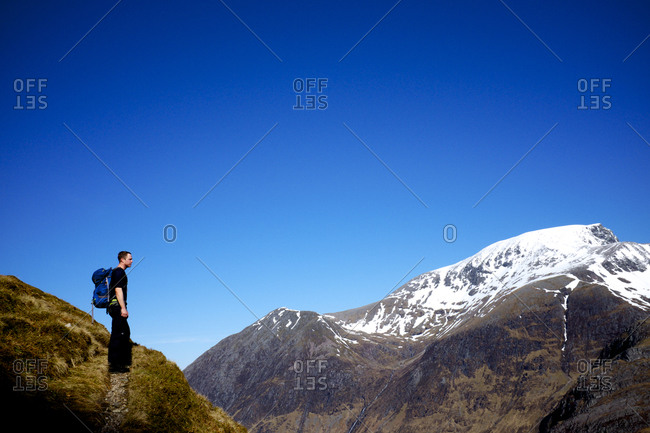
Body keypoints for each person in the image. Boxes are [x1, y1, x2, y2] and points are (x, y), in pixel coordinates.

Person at [108, 251, 133, 373]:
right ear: (122, 260)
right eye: (130, 259)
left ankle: (118, 364)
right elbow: (118, 291)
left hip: (115, 307)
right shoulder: (119, 272)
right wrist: (123, 308)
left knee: (122, 332)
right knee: (119, 334)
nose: (132, 261)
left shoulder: (117, 272)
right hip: (117, 307)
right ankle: (115, 366)